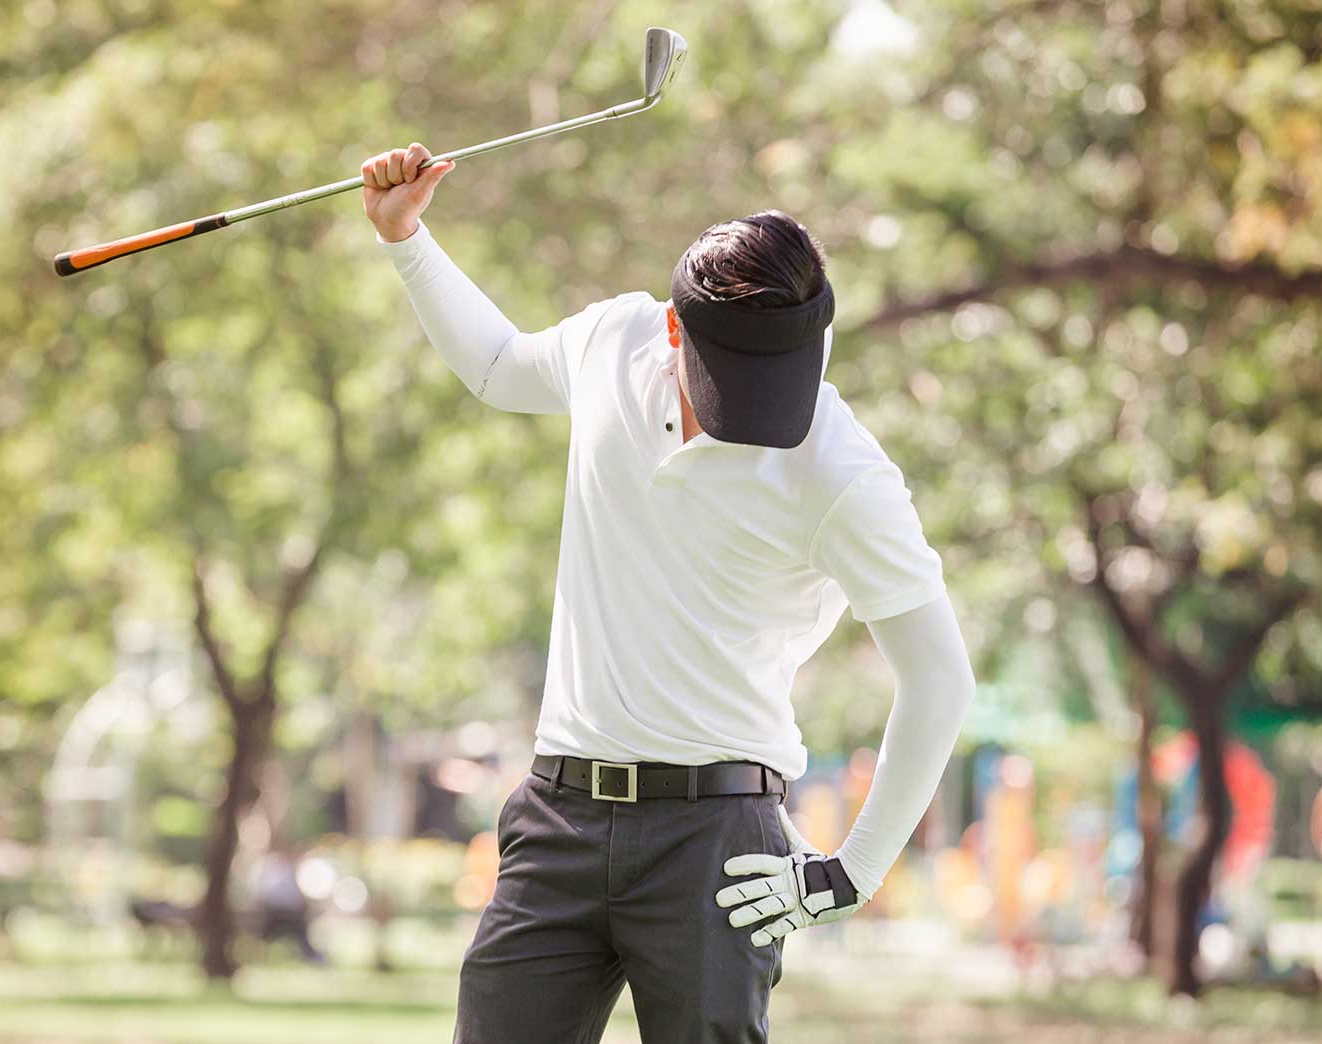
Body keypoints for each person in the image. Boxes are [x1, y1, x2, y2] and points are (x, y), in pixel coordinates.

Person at [361, 143, 977, 1044]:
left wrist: (852, 870)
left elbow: (940, 678)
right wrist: (406, 237)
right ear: (675, 331)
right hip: (559, 814)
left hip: (717, 846)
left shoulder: (846, 476)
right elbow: (496, 367)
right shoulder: (617, 339)